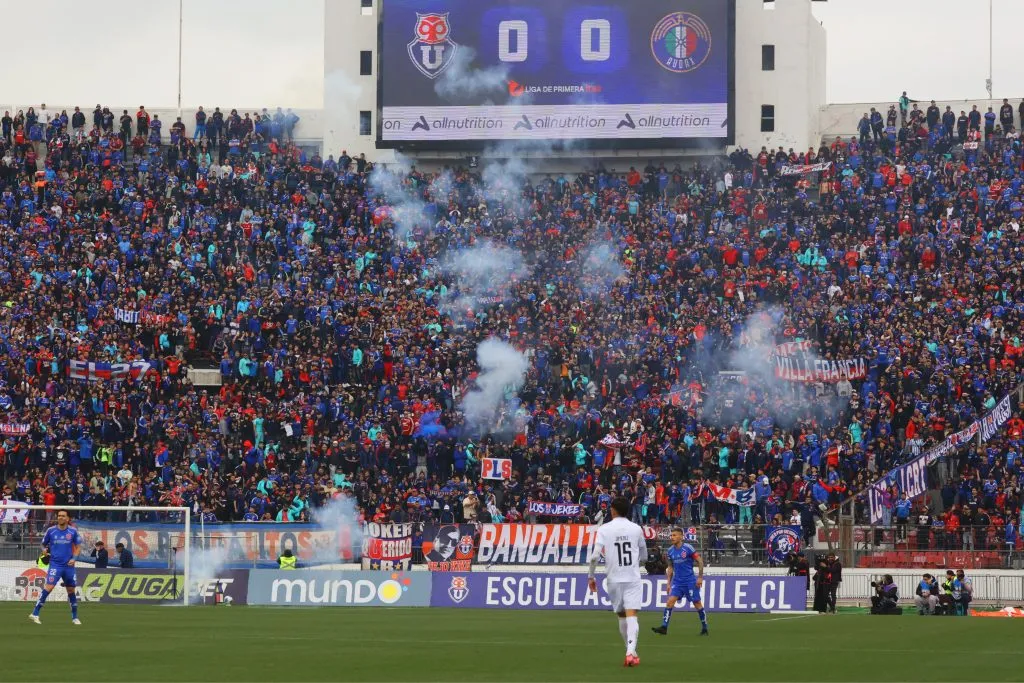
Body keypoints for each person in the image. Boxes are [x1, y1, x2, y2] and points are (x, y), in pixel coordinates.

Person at [588, 497, 647, 667]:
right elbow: (643, 556)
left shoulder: (604, 529)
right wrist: (636, 564)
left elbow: (594, 557)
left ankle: (630, 651)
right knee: (632, 615)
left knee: (621, 616)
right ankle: (630, 651)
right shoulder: (636, 529)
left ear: (613, 510)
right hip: (632, 577)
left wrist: (591, 577)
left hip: (613, 579)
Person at [652, 527, 708, 637]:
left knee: (697, 604)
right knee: (670, 602)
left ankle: (705, 627)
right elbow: (670, 567)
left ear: (681, 537)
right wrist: (668, 583)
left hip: (690, 581)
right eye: (671, 535)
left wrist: (700, 577)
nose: (672, 537)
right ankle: (664, 627)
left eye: (674, 535)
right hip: (678, 582)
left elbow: (700, 561)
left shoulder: (688, 548)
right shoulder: (670, 551)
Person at [29, 509, 83, 625]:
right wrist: (44, 551)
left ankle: (75, 617)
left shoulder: (73, 531)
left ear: (68, 518)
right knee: (49, 587)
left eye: (63, 516)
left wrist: (74, 559)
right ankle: (35, 613)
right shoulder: (51, 531)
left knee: (71, 590)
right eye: (59, 516)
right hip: (55, 564)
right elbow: (43, 544)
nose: (60, 518)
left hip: (68, 566)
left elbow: (78, 547)